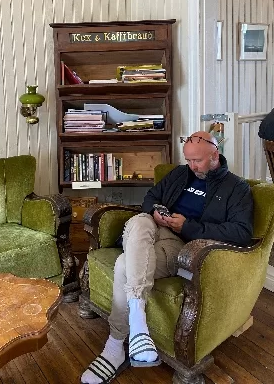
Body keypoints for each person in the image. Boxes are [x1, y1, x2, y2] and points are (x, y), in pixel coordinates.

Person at [81, 131, 253, 384]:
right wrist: (155, 212)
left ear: (215, 155)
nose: (192, 167)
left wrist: (188, 227)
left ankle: (116, 345)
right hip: (150, 231)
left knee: (122, 264)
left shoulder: (236, 188)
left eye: (198, 161)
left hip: (182, 246)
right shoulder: (179, 174)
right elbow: (151, 197)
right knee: (140, 220)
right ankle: (138, 323)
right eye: (189, 160)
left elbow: (241, 233)